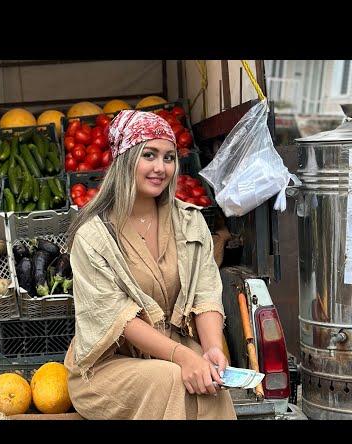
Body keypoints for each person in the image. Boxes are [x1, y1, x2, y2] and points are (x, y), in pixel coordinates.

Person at [64, 110, 236, 420]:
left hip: (173, 347)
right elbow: (119, 319)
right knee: (171, 378)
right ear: (125, 160)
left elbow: (205, 292)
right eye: (149, 155)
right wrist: (183, 356)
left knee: (208, 377)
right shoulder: (93, 236)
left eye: (169, 157)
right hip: (108, 366)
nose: (160, 167)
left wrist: (211, 348)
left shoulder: (189, 221)